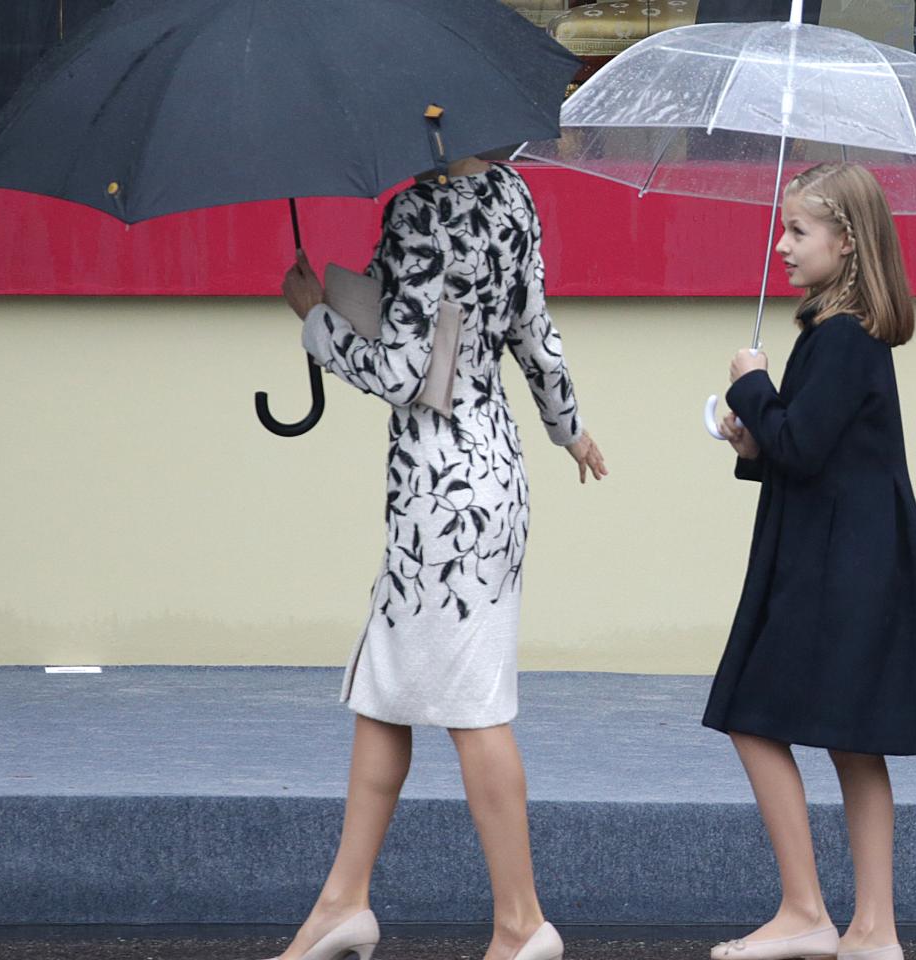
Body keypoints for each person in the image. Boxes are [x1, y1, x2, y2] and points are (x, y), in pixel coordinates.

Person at [274, 155, 607, 960]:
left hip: (440, 495)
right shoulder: (512, 194)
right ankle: (341, 903)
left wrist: (316, 322)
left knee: (472, 703)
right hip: (495, 471)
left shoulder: (418, 210)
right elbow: (534, 331)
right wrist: (569, 428)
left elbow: (398, 371)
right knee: (385, 688)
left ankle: (522, 924)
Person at [705, 162, 916, 960]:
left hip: (835, 565)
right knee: (852, 739)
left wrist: (751, 389)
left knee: (750, 715)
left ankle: (807, 910)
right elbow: (804, 445)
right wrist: (757, 436)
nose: (781, 246)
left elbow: (804, 446)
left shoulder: (843, 340)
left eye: (798, 231)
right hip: (848, 554)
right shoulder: (838, 337)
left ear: (846, 243)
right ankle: (870, 929)